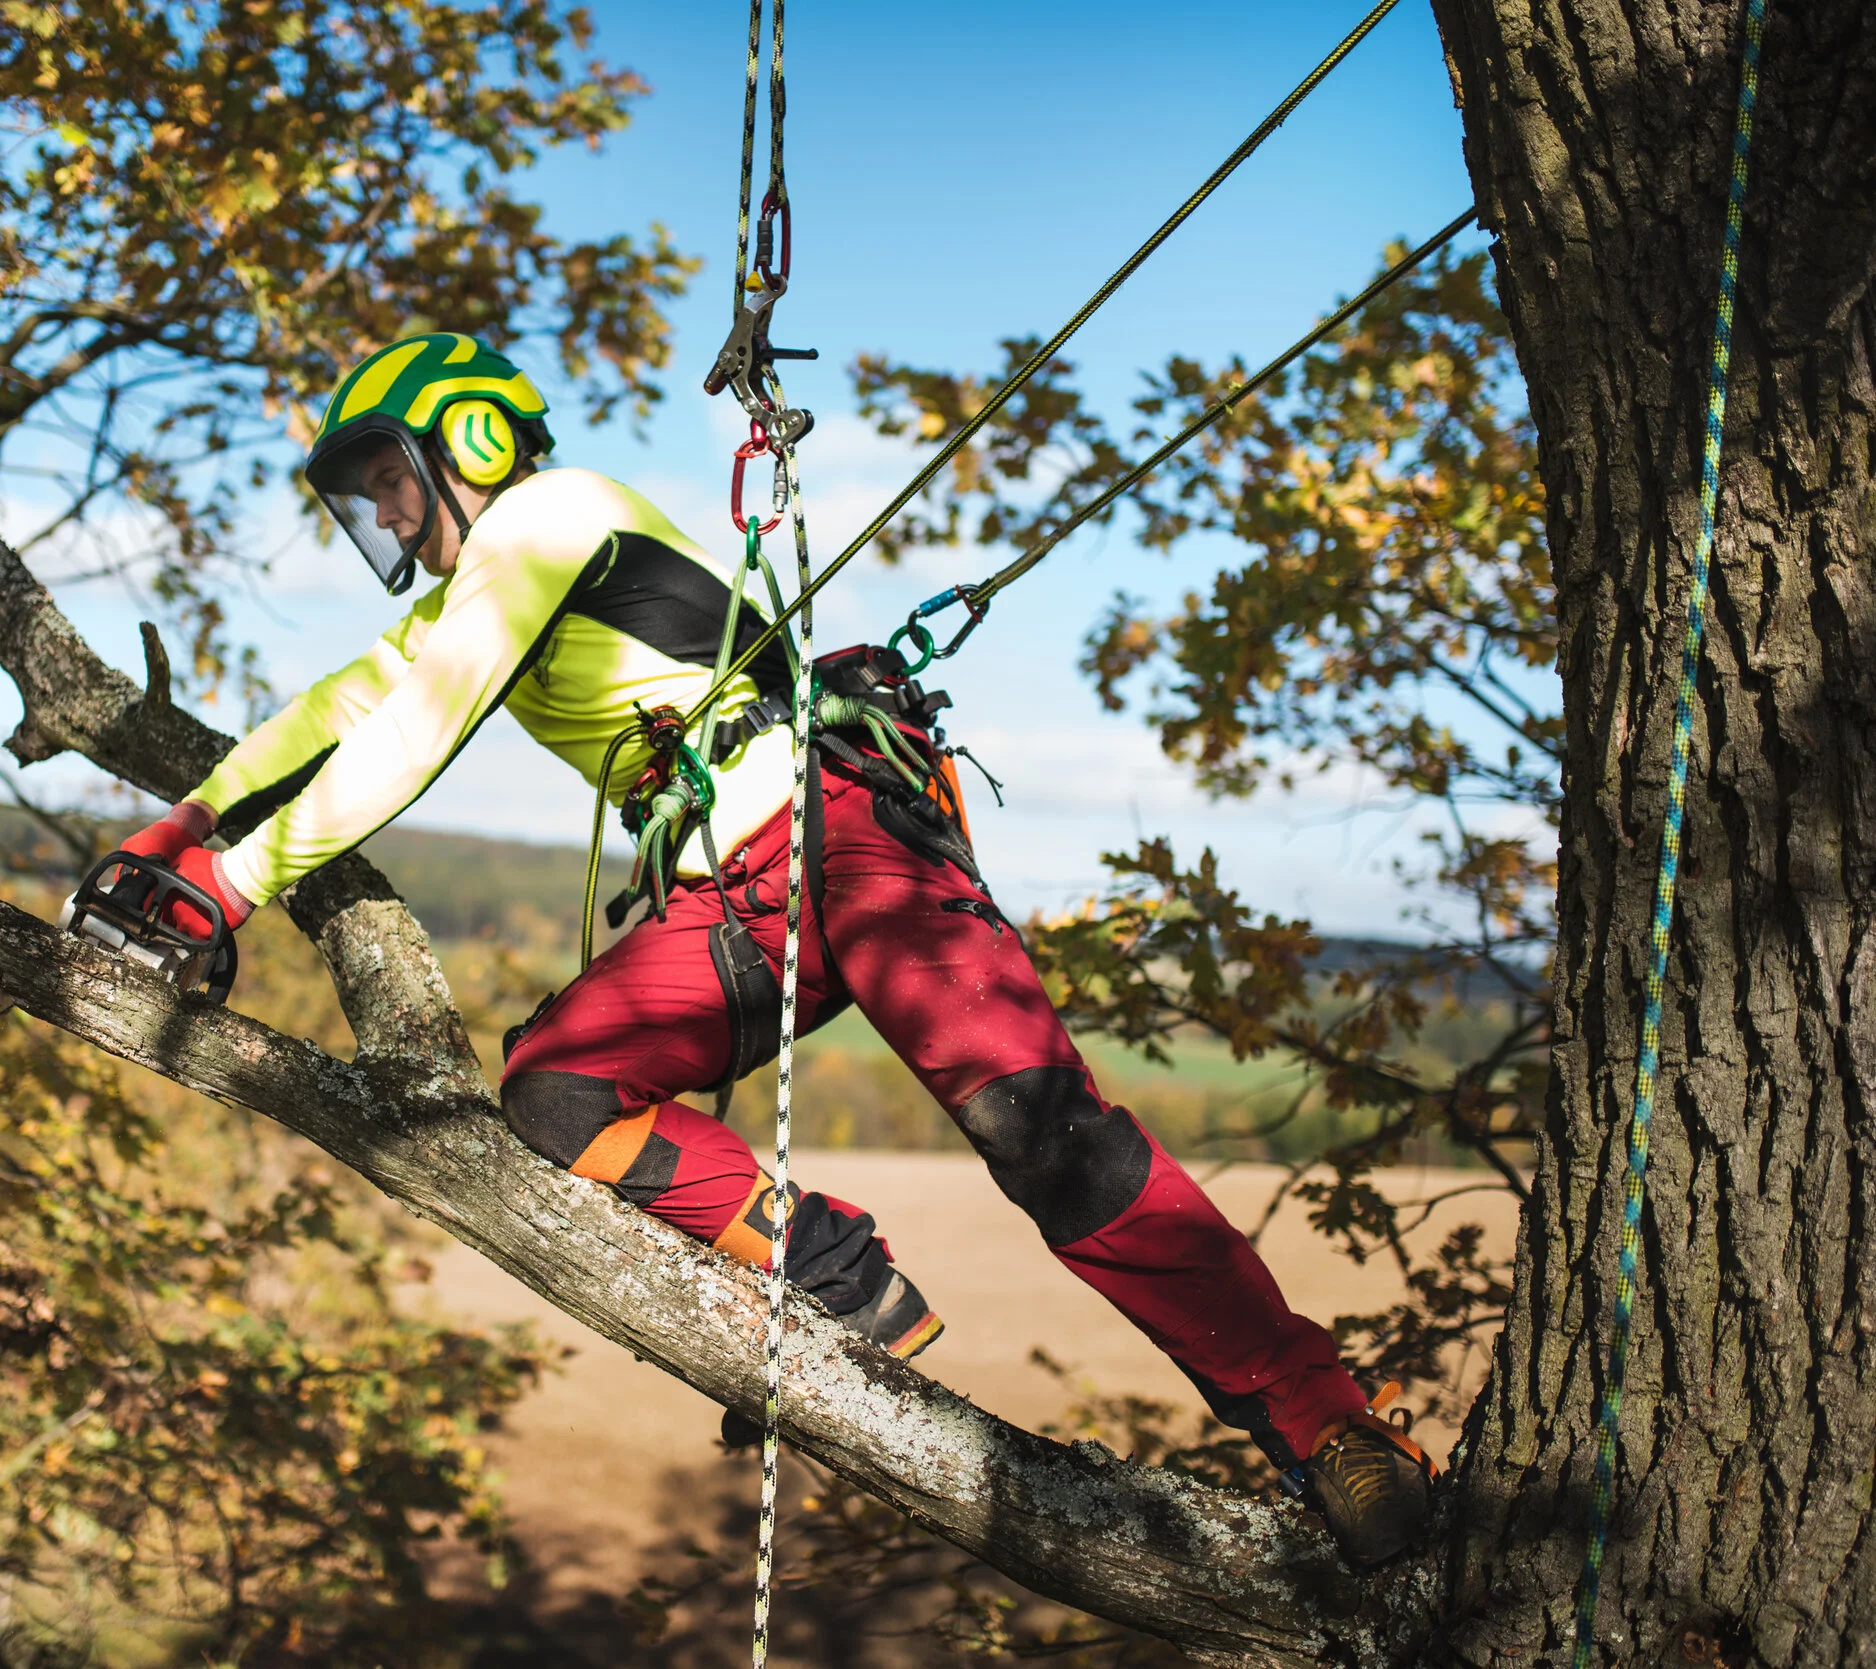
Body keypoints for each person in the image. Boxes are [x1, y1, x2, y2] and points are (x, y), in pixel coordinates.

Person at [97, 331, 1436, 1567]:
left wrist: (236, 879)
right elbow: (346, 703)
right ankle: (836, 1277)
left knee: (1048, 1138)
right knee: (557, 1090)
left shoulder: (554, 517)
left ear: (474, 445)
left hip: (846, 838)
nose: (384, 516)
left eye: (390, 478)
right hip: (734, 901)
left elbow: (419, 726)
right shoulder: (475, 588)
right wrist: (190, 824)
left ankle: (1333, 1433)